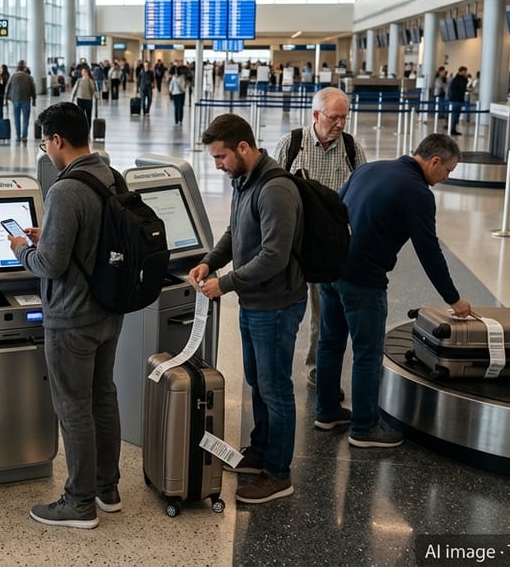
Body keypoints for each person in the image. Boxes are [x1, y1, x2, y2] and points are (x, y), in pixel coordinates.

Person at [316, 134, 472, 449]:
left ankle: (327, 411)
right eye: (447, 171)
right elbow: (429, 250)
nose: (446, 178)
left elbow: (336, 207)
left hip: (330, 268)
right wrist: (454, 298)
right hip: (363, 278)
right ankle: (364, 428)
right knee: (367, 353)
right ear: (435, 161)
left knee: (330, 342)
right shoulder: (417, 192)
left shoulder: (370, 168)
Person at [9, 102, 123, 529]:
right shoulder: (110, 175)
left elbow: (49, 266)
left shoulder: (64, 189)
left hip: (71, 317)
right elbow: (89, 240)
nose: (46, 150)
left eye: (45, 142)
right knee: (103, 396)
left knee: (73, 407)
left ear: (57, 140)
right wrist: (50, 235)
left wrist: (22, 248)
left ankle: (79, 503)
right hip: (108, 311)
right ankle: (106, 488)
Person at [188, 113, 305, 504]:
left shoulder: (274, 189)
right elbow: (235, 231)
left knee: (275, 387)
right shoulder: (244, 180)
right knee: (257, 379)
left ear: (243, 147)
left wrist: (227, 282)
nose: (217, 166)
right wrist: (211, 261)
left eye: (221, 157)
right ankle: (261, 450)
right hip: (256, 301)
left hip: (275, 304)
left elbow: (274, 255)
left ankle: (278, 473)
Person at [271, 88, 367, 390]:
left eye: (344, 118)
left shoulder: (351, 148)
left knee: (323, 313)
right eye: (333, 117)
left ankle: (317, 368)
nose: (339, 124)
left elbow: (363, 191)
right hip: (295, 243)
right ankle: (276, 371)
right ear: (316, 115)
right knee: (284, 311)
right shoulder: (293, 144)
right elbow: (271, 189)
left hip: (331, 246)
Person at [6, 60, 37, 142]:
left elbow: (7, 87)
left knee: (16, 118)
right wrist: (34, 99)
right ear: (24, 68)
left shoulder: (13, 76)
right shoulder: (29, 77)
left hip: (15, 100)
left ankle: (18, 136)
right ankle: (24, 136)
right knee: (26, 119)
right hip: (26, 100)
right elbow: (33, 88)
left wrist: (6, 98)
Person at [446, 66, 469, 136]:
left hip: (456, 100)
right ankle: (452, 129)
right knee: (455, 115)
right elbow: (462, 88)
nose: (466, 73)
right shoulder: (459, 79)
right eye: (465, 71)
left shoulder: (456, 79)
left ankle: (452, 128)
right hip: (457, 100)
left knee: (455, 115)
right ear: (461, 71)